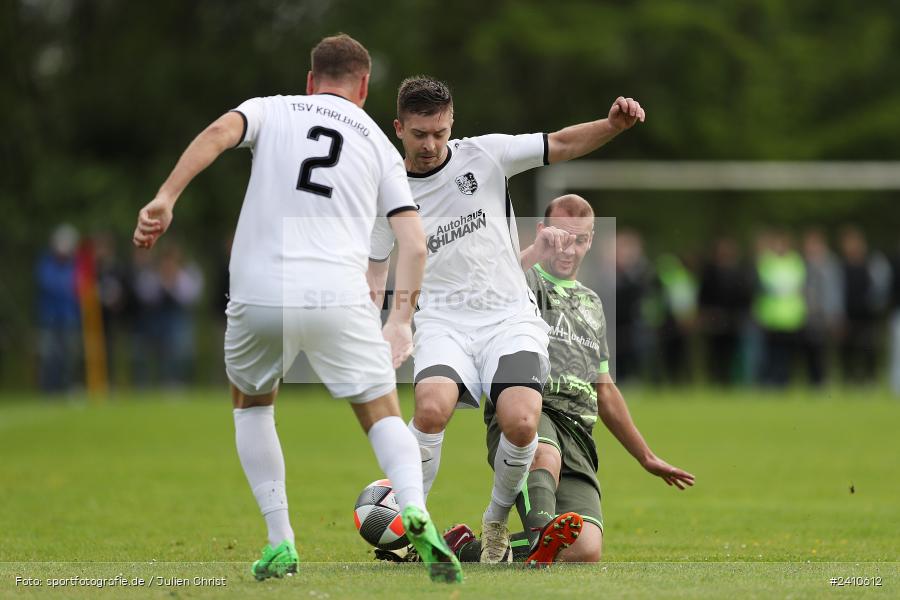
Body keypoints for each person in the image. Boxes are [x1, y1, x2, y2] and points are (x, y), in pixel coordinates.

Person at [132, 35, 462, 584]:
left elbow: (217, 134)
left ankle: (280, 541)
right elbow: (415, 244)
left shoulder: (271, 109)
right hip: (338, 294)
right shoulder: (381, 145)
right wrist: (399, 317)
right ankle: (415, 509)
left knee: (252, 405)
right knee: (379, 413)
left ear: (311, 81)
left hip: (259, 291)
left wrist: (166, 197)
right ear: (363, 89)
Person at [368, 76, 647, 563]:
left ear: (451, 123)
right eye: (419, 134)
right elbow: (374, 265)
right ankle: (417, 530)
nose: (430, 144)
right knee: (430, 409)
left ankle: (495, 521)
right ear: (398, 129)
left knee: (521, 422)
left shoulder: (486, 154)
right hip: (443, 322)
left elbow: (559, 142)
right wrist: (380, 324)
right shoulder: (386, 189)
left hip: (507, 317)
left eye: (438, 132)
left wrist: (611, 125)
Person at [451, 195, 695, 565]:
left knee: (585, 549)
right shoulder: (524, 279)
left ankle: (464, 550)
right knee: (543, 452)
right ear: (543, 231)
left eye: (579, 240)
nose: (569, 248)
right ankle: (541, 535)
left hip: (578, 431)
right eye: (561, 237)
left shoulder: (593, 303)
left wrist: (646, 457)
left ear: (591, 240)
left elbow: (605, 388)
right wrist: (534, 251)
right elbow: (490, 286)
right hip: (529, 410)